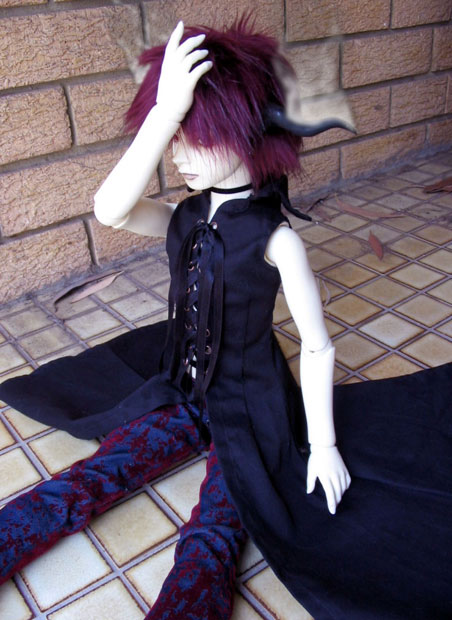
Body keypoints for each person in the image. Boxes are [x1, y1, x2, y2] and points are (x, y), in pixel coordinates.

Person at [1, 18, 451, 620]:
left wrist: (322, 445)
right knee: (93, 475)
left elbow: (318, 347)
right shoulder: (185, 216)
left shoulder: (276, 239)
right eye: (176, 139)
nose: (180, 156)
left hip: (253, 407)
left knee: (216, 529)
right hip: (179, 385)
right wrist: (164, 114)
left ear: (251, 135)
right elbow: (110, 210)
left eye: (199, 137)